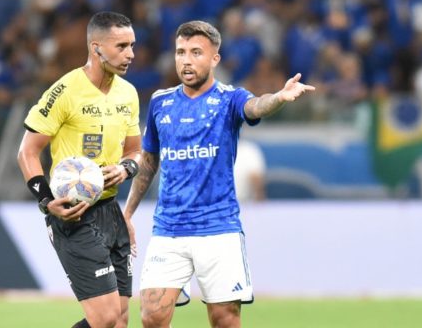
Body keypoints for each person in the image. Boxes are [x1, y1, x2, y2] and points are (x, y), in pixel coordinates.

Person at [123, 20, 314, 328]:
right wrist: (128, 212)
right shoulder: (161, 102)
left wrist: (278, 97)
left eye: (196, 52)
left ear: (215, 58)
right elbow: (148, 162)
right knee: (152, 317)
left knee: (225, 320)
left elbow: (255, 107)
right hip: (169, 229)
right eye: (180, 52)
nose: (186, 60)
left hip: (218, 229)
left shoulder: (229, 99)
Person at [17, 11, 141, 328]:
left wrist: (127, 168)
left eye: (132, 45)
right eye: (122, 46)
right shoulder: (65, 91)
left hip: (110, 210)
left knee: (121, 321)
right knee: (106, 319)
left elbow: (136, 151)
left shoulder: (128, 93)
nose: (131, 54)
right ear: (96, 47)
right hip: (74, 214)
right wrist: (46, 202)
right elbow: (27, 152)